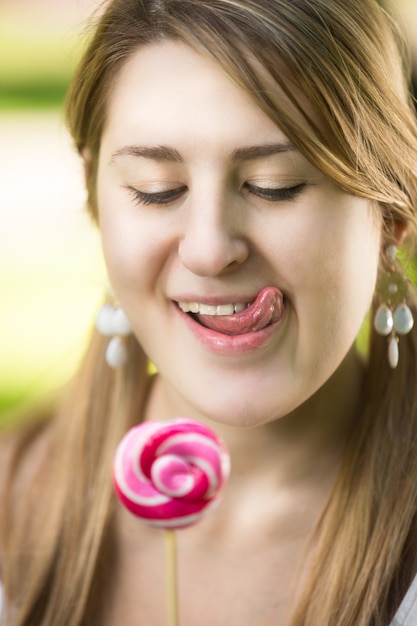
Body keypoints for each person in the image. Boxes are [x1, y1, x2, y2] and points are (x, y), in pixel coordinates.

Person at [1, 0, 417, 624]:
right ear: (96, 200)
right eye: (156, 189)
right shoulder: (10, 499)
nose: (209, 248)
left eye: (274, 185)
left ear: (391, 216)